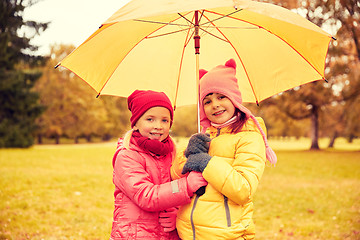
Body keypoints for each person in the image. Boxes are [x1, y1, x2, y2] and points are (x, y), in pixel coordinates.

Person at [171, 59, 277, 240]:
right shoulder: (203, 137)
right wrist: (188, 154)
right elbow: (174, 178)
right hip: (189, 234)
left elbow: (243, 190)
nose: (215, 105)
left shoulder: (249, 137)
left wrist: (207, 163)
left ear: (234, 98)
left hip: (226, 235)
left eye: (221, 97)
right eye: (207, 101)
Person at [110, 90, 208, 240]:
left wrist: (177, 214)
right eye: (150, 119)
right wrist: (186, 185)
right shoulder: (127, 155)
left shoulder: (173, 153)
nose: (158, 126)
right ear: (136, 123)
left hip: (168, 234)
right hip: (137, 234)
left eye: (164, 120)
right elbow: (145, 196)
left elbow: (178, 194)